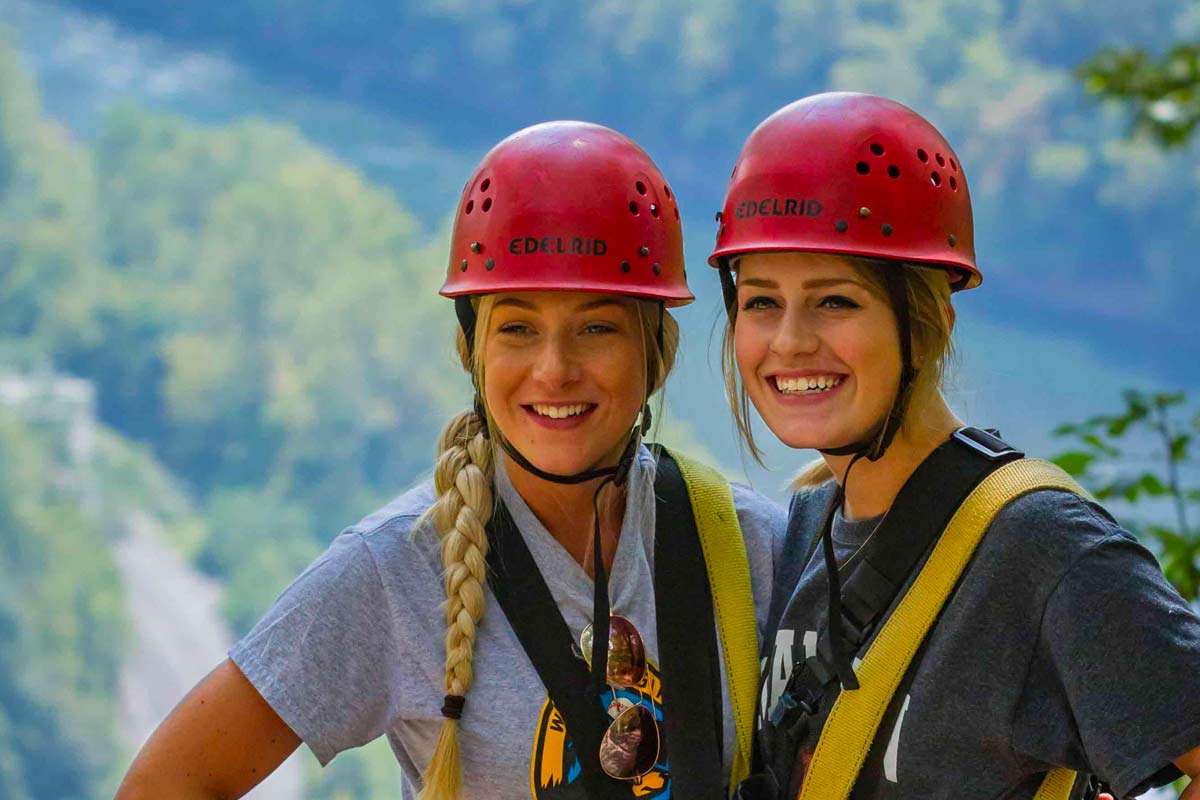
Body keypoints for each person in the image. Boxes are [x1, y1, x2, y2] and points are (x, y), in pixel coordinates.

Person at [114, 121, 784, 800]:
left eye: (596, 328)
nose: (554, 371)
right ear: (471, 353)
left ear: (658, 355)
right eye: (518, 328)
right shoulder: (394, 571)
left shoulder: (750, 549)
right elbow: (167, 785)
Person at [708, 92, 1200, 800]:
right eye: (760, 301)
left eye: (835, 300)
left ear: (927, 315)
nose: (789, 341)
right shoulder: (811, 526)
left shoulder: (1039, 549)